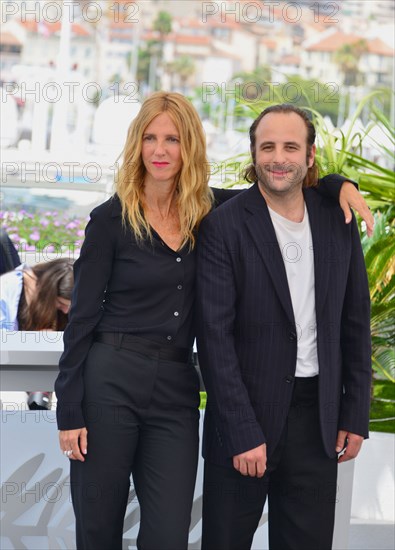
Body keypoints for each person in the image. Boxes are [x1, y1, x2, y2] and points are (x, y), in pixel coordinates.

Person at [54, 91, 373, 550]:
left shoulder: (208, 209)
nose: (160, 150)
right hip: (111, 379)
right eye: (150, 138)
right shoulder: (110, 220)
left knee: (168, 535)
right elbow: (81, 320)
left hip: (176, 389)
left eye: (173, 139)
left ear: (191, 148)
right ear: (136, 145)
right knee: (98, 527)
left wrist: (336, 183)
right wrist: (69, 408)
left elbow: (277, 184)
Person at [196, 104, 372, 550]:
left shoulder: (338, 218)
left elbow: (354, 322)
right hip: (244, 419)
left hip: (317, 421)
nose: (279, 158)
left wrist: (354, 414)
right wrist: (242, 432)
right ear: (253, 156)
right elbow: (215, 338)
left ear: (310, 156)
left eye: (291, 147)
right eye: (267, 146)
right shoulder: (224, 226)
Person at [0, 258, 74, 409]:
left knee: (43, 402)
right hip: (10, 366)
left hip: (48, 370)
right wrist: (34, 340)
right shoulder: (8, 288)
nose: (65, 310)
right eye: (60, 304)